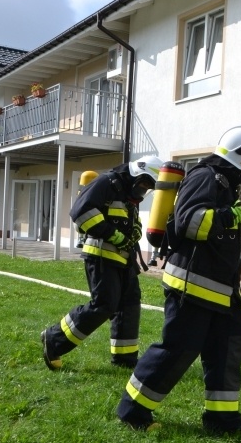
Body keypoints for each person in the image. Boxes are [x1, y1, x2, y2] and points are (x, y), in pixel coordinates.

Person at [116, 126, 241, 433]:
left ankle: (222, 421)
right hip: (192, 285)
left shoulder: (227, 185)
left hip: (221, 289)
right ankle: (132, 411)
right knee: (176, 351)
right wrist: (239, 213)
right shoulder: (206, 177)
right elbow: (193, 223)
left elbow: (232, 231)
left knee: (228, 349)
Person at [41, 156, 164, 370]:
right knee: (104, 305)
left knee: (129, 305)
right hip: (100, 255)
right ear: (137, 174)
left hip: (123, 258)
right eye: (145, 184)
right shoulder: (106, 183)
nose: (145, 190)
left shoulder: (127, 194)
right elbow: (81, 212)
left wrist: (136, 230)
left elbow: (128, 219)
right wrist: (114, 235)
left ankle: (125, 358)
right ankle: (54, 339)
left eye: (149, 187)